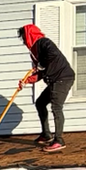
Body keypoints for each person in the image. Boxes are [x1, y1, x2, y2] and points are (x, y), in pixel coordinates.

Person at [18, 20, 75, 152]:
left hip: (63, 78)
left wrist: (40, 64)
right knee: (40, 103)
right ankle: (46, 134)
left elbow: (51, 55)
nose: (23, 41)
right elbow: (42, 72)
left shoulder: (44, 43)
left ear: (29, 35)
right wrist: (26, 81)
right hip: (54, 80)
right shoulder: (35, 52)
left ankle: (59, 140)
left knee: (56, 107)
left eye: (23, 37)